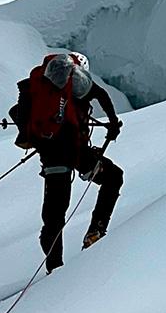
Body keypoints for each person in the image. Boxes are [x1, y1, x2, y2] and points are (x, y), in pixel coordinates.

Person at [11, 52, 124, 273]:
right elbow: (101, 95)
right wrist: (112, 123)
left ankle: (55, 268)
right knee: (113, 177)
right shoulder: (76, 81)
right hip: (78, 154)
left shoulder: (35, 86)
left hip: (52, 158)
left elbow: (24, 126)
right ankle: (96, 230)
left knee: (54, 216)